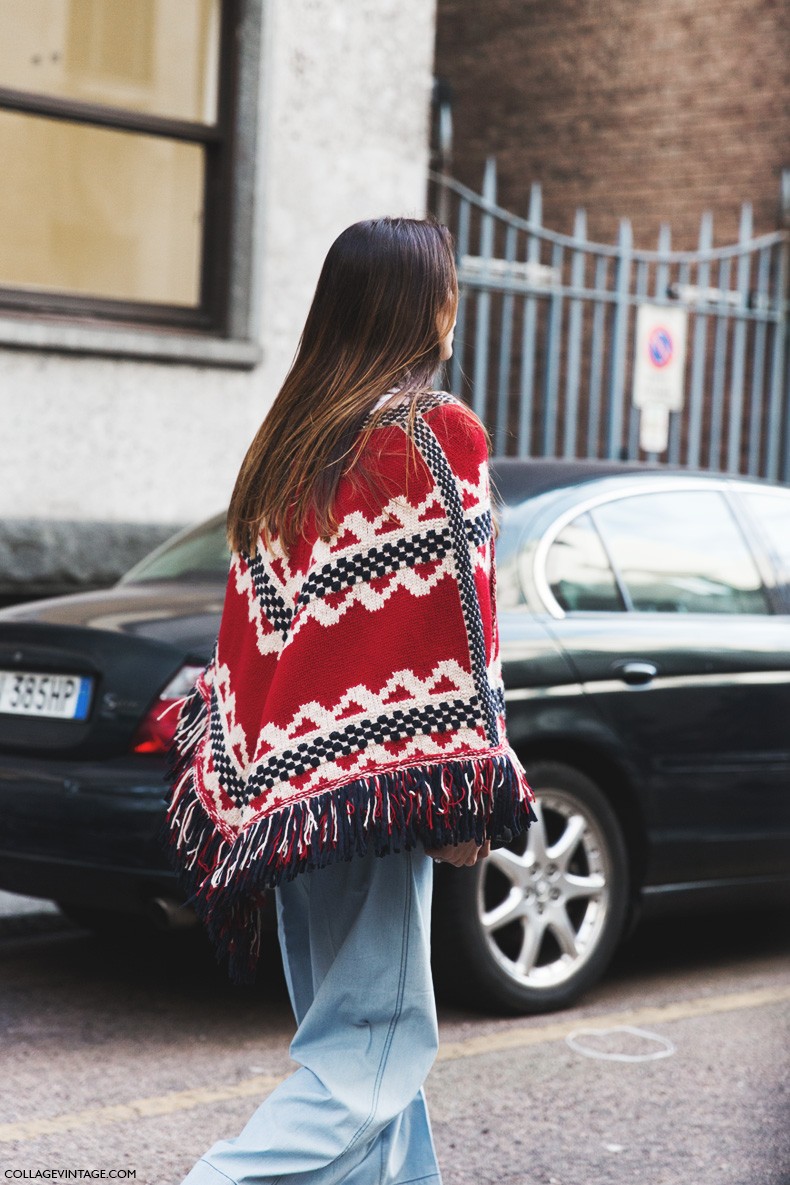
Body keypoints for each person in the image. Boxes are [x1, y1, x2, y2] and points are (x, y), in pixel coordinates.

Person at [162, 215, 534, 1185]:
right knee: (368, 1055)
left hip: (292, 806)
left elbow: (253, 635)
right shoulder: (432, 432)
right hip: (377, 794)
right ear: (425, 306)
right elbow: (462, 618)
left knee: (368, 1050)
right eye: (447, 288)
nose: (456, 308)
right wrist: (467, 784)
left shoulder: (288, 448)